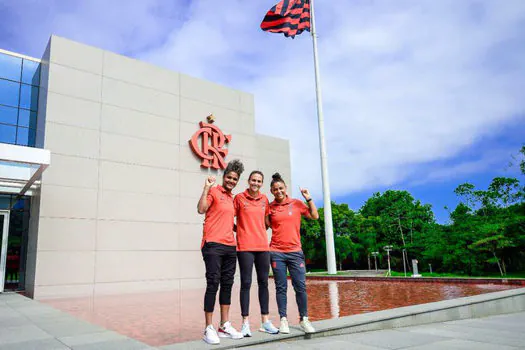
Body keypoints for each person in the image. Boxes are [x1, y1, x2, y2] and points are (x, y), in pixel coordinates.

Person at [197, 159, 245, 345]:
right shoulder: (214, 191)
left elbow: (229, 222)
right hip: (212, 245)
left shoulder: (233, 199)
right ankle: (208, 327)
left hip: (230, 247)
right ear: (224, 176)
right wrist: (206, 188)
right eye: (229, 177)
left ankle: (224, 325)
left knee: (227, 284)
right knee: (213, 283)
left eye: (235, 179)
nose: (231, 181)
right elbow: (201, 209)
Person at [265, 173, 319, 334]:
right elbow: (263, 226)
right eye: (275, 189)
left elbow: (315, 216)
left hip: (295, 252)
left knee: (300, 287)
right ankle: (283, 320)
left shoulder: (296, 203)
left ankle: (304, 319)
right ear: (271, 191)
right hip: (276, 253)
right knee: (280, 287)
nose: (278, 191)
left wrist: (308, 198)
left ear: (285, 188)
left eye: (281, 188)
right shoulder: (270, 207)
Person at [234, 170, 279, 337]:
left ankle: (265, 321)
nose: (256, 183)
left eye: (259, 181)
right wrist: (240, 231)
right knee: (245, 283)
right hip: (245, 248)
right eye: (253, 180)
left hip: (262, 248)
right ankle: (245, 323)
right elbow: (229, 217)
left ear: (261, 183)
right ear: (248, 181)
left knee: (264, 284)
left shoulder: (264, 200)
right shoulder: (239, 198)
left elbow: (267, 222)